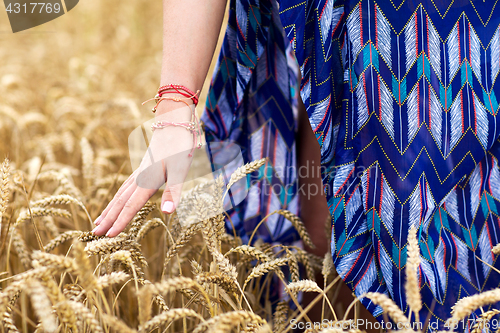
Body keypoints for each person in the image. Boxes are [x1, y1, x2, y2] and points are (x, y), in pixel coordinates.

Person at [92, 0, 500, 331]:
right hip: (340, 25)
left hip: (470, 31)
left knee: (463, 254)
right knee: (330, 257)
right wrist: (176, 103)